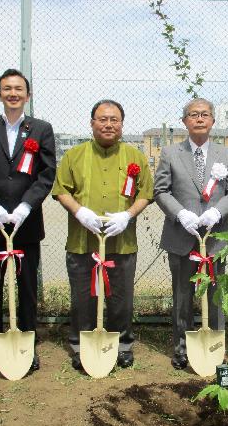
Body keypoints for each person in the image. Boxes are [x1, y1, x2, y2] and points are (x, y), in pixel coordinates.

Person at [0, 68, 56, 378]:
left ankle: (27, 347)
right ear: (0, 93)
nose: (13, 93)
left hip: (26, 225)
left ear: (27, 95)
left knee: (27, 286)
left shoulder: (41, 129)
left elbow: (46, 174)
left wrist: (25, 207)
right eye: (7, 89)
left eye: (19, 89)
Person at [52, 99, 153, 370]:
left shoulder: (135, 157)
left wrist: (128, 215)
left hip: (122, 242)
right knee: (83, 298)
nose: (108, 124)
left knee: (121, 298)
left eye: (114, 120)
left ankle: (122, 346)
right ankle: (80, 345)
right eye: (103, 119)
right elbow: (61, 189)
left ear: (121, 124)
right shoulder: (75, 155)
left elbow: (146, 193)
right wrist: (80, 212)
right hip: (82, 241)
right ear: (92, 123)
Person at [154, 98, 228, 370]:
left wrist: (217, 213)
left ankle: (214, 347)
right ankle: (182, 348)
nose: (200, 119)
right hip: (181, 236)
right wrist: (181, 214)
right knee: (182, 295)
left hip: (215, 238)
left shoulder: (226, 154)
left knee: (215, 296)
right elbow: (161, 191)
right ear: (185, 122)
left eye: (205, 114)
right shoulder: (170, 153)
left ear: (213, 121)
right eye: (194, 115)